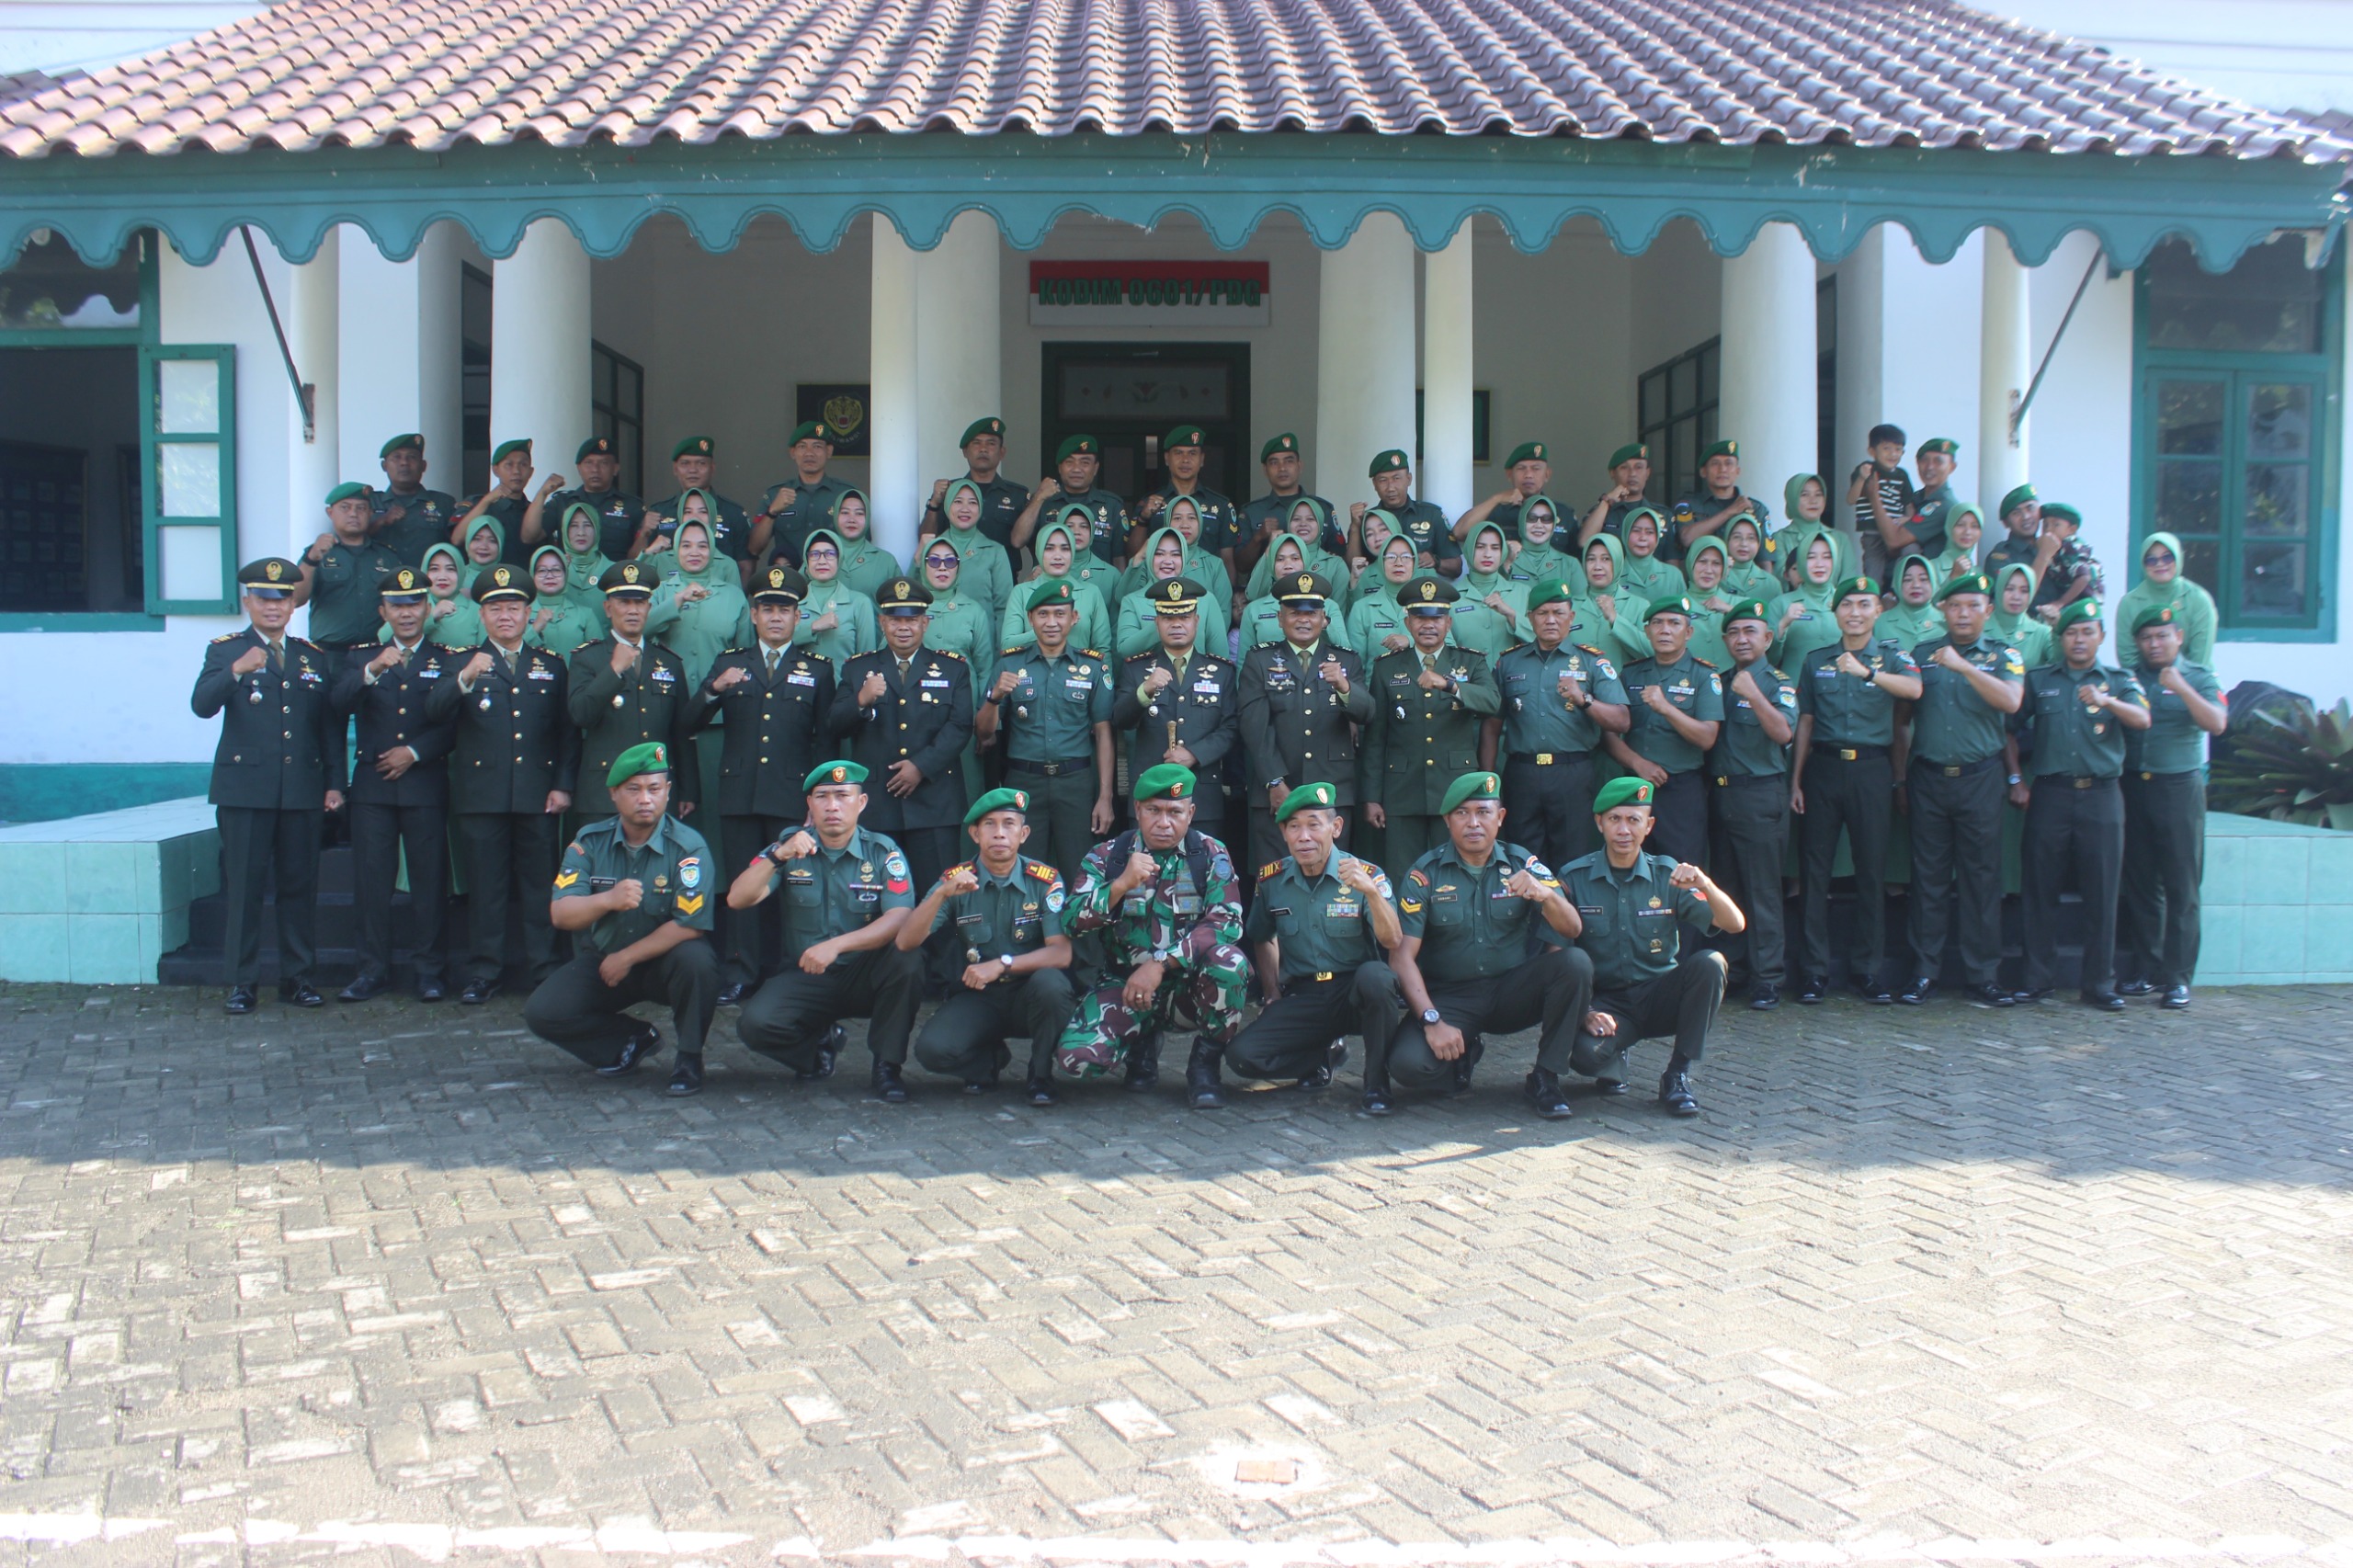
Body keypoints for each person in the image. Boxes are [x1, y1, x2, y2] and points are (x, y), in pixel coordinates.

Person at [1384, 771, 1590, 1118]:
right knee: (1408, 1066)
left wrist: (1545, 896)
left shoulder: (1523, 863)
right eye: (1462, 813)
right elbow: (1401, 957)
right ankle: (1461, 1057)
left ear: (1500, 817)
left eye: (1483, 812)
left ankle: (1546, 1076)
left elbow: (1572, 927)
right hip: (1452, 997)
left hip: (1512, 991)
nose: (1473, 823)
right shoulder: (1425, 874)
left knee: (1576, 963)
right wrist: (1432, 1021)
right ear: (1447, 820)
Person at [194, 559, 346, 1014]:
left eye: (282, 599)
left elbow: (328, 728)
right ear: (248, 602)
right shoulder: (226, 650)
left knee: (300, 888)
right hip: (245, 790)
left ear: (293, 604)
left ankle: (297, 978)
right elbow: (201, 705)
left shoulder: (311, 656)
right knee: (244, 890)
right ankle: (242, 983)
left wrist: (334, 783)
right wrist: (236, 671)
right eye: (264, 599)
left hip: (301, 789)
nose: (273, 607)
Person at [526, 742, 721, 1096]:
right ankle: (629, 1040)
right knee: (544, 1011)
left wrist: (627, 957)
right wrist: (607, 899)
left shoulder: (688, 847)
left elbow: (690, 924)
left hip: (664, 963)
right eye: (634, 789)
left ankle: (690, 1058)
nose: (645, 799)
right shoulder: (590, 841)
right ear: (614, 794)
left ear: (667, 792)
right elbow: (562, 913)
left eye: (654, 789)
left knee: (698, 962)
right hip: (605, 958)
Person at [730, 761, 926, 1101]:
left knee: (907, 960)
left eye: (842, 796)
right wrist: (778, 856)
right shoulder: (789, 847)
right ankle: (817, 1050)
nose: (832, 806)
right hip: (808, 974)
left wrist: (836, 945)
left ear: (861, 803)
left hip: (865, 973)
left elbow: (899, 918)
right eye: (822, 797)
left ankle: (887, 1067)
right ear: (810, 804)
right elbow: (738, 898)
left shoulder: (882, 852)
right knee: (755, 1025)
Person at [427, 565, 578, 1005]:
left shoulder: (551, 665)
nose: (505, 616)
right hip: (482, 795)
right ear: (482, 615)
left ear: (529, 614)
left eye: (514, 608)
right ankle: (484, 972)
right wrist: (465, 678)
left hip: (537, 793)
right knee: (486, 889)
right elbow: (434, 711)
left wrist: (563, 785)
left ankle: (544, 967)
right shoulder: (460, 661)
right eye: (495, 609)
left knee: (540, 885)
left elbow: (567, 733)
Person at [1054, 765, 1247, 1108]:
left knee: (1230, 964)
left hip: (1188, 987)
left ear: (1191, 813)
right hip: (1125, 985)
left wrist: (1160, 964)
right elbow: (1070, 922)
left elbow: (1226, 922)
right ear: (1138, 810)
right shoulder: (1108, 856)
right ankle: (1140, 1043)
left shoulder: (1210, 853)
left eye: (1175, 812)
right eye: (1154, 811)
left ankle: (1205, 1066)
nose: (1164, 822)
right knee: (1077, 1060)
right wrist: (1119, 886)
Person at [686, 563, 835, 1005]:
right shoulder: (730, 663)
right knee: (743, 884)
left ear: (797, 617)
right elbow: (689, 721)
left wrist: (818, 800)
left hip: (791, 796)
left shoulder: (817, 669)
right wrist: (714, 689)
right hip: (740, 793)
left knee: (796, 887)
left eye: (784, 610)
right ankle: (741, 970)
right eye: (767, 609)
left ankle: (789, 969)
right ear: (753, 615)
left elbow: (825, 740)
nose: (775, 617)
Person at [1563, 777, 1745, 1117]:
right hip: (1608, 1003)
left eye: (1634, 820)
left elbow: (1735, 924)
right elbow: (1559, 955)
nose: (1624, 830)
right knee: (1584, 1056)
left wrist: (1706, 884)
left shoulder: (1668, 875)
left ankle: (1677, 1074)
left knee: (1711, 963)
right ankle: (1615, 1054)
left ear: (1648, 826)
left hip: (1660, 995)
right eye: (1615, 819)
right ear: (1599, 823)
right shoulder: (1574, 877)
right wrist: (1585, 1011)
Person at [1788, 575, 1921, 1005]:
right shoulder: (1816, 660)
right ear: (1836, 612)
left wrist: (1869, 673)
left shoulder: (1893, 656)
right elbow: (1806, 721)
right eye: (1847, 605)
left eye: (1864, 605)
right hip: (1824, 768)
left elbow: (1915, 689)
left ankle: (1868, 970)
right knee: (1815, 872)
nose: (1855, 613)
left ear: (1878, 611)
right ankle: (1813, 972)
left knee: (1870, 871)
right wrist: (1796, 779)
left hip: (1872, 770)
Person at [1895, 572, 2027, 1006]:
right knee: (1927, 879)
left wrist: (1965, 667)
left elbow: (2011, 701)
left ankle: (1982, 975)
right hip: (1929, 778)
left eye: (1973, 606)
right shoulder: (1922, 655)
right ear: (1943, 611)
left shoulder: (2004, 655)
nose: (1964, 614)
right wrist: (1900, 778)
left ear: (1988, 610)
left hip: (1981, 778)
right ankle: (1923, 972)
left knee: (1981, 880)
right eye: (1955, 606)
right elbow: (1901, 722)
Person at [2011, 600, 2149, 1010]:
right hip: (2050, 793)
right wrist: (2015, 777)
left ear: (2101, 637)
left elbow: (2142, 719)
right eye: (2071, 632)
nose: (2079, 639)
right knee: (2040, 890)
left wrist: (2108, 702)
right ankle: (2036, 980)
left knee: (2102, 892)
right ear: (2060, 638)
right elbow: (2007, 728)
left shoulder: (2119, 680)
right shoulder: (2040, 680)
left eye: (2088, 631)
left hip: (2102, 796)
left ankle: (2099, 984)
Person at [329, 566, 454, 1003]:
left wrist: (414, 752)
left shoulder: (446, 658)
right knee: (371, 884)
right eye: (396, 606)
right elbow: (336, 703)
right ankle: (371, 971)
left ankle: (429, 972)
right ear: (383, 611)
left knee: (429, 883)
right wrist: (370, 671)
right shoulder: (361, 657)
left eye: (414, 603)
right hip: (373, 787)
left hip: (424, 783)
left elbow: (455, 723)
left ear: (427, 608)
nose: (406, 613)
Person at [1228, 781, 1401, 1097]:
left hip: (1356, 993)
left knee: (1378, 977)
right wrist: (1272, 994)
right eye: (1294, 827)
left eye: (1313, 825)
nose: (1304, 837)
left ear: (1336, 827)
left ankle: (1377, 1082)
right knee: (1242, 1056)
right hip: (1305, 994)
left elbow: (1392, 940)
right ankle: (1321, 1057)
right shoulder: (1272, 880)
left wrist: (1372, 894)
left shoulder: (1365, 874)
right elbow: (1262, 937)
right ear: (1283, 833)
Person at [903, 789, 1076, 1102]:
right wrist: (941, 894)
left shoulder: (1044, 880)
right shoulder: (956, 879)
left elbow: (1061, 953)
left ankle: (1040, 1074)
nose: (999, 833)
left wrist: (1002, 964)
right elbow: (906, 941)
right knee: (932, 1051)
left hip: (1029, 993)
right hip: (979, 996)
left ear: (1023, 833)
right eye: (989, 825)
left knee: (1052, 986)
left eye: (1009, 824)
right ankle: (988, 1062)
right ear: (975, 834)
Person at [828, 576, 976, 926]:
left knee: (939, 900)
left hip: (934, 804)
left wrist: (920, 766)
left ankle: (941, 964)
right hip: (878, 806)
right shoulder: (858, 669)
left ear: (926, 622)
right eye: (895, 620)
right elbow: (835, 725)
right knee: (874, 902)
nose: (903, 627)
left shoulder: (953, 668)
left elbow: (960, 726)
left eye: (912, 620)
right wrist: (861, 700)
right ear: (882, 622)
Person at [2119, 603, 2227, 1009]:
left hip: (2179, 788)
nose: (2154, 644)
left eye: (2162, 636)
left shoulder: (2200, 676)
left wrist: (2181, 687)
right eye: (2146, 638)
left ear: (2178, 637)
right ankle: (2148, 970)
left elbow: (2217, 723)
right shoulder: (2127, 678)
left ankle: (2178, 978)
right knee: (2143, 885)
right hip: (2135, 786)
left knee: (2182, 886)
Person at [1359, 577, 1502, 884]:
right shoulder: (1387, 667)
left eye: (1436, 618)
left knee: (1454, 874)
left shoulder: (1470, 662)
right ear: (1408, 623)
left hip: (1455, 788)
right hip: (1401, 790)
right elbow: (1376, 738)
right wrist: (1372, 797)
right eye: (1420, 618)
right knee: (1403, 875)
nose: (1428, 625)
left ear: (1448, 623)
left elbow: (1492, 702)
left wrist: (1450, 685)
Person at [1488, 577, 1631, 871]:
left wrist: (1584, 700)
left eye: (1558, 612)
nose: (1550, 620)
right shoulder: (1509, 663)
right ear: (1530, 618)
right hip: (1522, 774)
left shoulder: (1592, 662)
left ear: (1571, 617)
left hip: (1572, 774)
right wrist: (1489, 779)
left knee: (1573, 860)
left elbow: (1622, 720)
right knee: (1523, 859)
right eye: (1542, 613)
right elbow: (1492, 726)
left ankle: (1568, 904)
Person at [979, 579, 1115, 882]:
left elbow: (1104, 733)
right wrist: (994, 698)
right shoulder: (1009, 664)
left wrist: (1105, 796)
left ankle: (1077, 917)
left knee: (1080, 871)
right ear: (1030, 619)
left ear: (1073, 618)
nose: (1051, 622)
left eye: (1059, 614)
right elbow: (984, 734)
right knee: (1025, 872)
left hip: (1075, 783)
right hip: (1024, 783)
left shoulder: (1093, 667)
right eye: (1043, 614)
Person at [1238, 571, 1372, 871]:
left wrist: (1345, 688)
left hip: (1331, 790)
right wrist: (1274, 781)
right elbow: (1254, 725)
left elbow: (1367, 714)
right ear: (1280, 618)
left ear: (1324, 619)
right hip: (1276, 790)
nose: (1303, 620)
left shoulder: (1346, 660)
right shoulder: (1259, 660)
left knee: (1334, 878)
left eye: (1311, 613)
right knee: (1274, 878)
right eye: (1294, 613)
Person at [1702, 600, 1798, 1009]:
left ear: (1768, 638)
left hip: (1760, 794)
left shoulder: (1777, 683)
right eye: (1734, 632)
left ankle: (1768, 978)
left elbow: (1783, 733)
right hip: (1721, 794)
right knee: (1725, 889)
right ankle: (1735, 971)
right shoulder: (1717, 681)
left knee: (1762, 891)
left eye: (1750, 631)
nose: (1742, 639)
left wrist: (1754, 694)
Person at [566, 561, 699, 823]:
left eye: (639, 603)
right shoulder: (587, 658)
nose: (632, 610)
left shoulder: (668, 662)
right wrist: (614, 670)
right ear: (608, 608)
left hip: (656, 792)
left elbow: (681, 732)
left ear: (649, 608)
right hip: (604, 791)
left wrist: (688, 789)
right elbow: (580, 715)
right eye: (624, 602)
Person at [1113, 577, 1240, 845]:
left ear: (1197, 620)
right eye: (1168, 618)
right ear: (1157, 623)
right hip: (1150, 794)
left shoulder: (1222, 672)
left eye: (1184, 617)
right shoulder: (1136, 669)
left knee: (1205, 866)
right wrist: (1144, 691)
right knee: (1146, 869)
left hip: (1202, 794)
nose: (1177, 624)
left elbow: (1230, 728)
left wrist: (1195, 754)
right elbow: (1120, 719)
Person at [1605, 597, 1724, 869]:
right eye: (1657, 623)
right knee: (1629, 866)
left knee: (1681, 869)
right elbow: (1608, 734)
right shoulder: (1632, 674)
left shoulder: (1704, 676)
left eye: (1674, 623)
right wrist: (1637, 763)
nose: (1665, 630)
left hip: (1680, 790)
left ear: (1688, 632)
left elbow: (1707, 737)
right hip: (1634, 787)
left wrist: (1666, 708)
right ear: (1647, 631)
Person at [294, 482, 404, 657]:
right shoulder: (316, 554)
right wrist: (311, 560)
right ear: (330, 513)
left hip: (376, 652)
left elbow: (401, 602)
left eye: (361, 508)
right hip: (329, 653)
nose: (353, 514)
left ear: (370, 513)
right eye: (345, 507)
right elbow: (295, 599)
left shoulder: (387, 556)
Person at [644, 517, 754, 689]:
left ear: (712, 550)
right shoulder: (660, 591)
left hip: (718, 698)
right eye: (686, 546)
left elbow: (746, 655)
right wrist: (678, 600)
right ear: (676, 550)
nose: (694, 552)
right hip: (667, 694)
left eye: (702, 546)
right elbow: (641, 631)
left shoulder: (734, 596)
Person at [1135, 425, 1242, 597]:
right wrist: (1144, 518)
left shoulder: (1221, 505)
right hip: (1159, 594)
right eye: (1178, 453)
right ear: (1167, 458)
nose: (1185, 460)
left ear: (1202, 459)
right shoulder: (1150, 503)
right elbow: (1134, 555)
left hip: (1205, 595)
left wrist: (1227, 602)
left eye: (1192, 453)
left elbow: (1227, 560)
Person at [645, 436, 758, 582]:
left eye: (701, 463)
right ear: (675, 468)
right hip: (670, 593)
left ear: (712, 468)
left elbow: (746, 567)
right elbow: (638, 568)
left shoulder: (733, 513)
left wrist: (733, 595)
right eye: (685, 463)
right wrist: (644, 533)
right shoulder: (659, 512)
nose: (693, 470)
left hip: (718, 592)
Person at [1002, 516, 1114, 658]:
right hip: (1032, 671)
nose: (1058, 556)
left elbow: (1103, 649)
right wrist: (1046, 629)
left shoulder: (1091, 593)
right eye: (1049, 548)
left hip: (1080, 672)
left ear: (1072, 553)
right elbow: (1008, 644)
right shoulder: (1021, 592)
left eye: (1065, 549)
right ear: (1039, 551)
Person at [1011, 434, 1127, 562]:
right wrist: (1039, 497)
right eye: (1069, 462)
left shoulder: (1111, 505)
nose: (1076, 469)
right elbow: (1017, 541)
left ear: (1095, 468)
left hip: (1098, 576)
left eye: (1085, 463)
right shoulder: (1044, 501)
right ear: (1060, 467)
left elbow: (1119, 558)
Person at [922, 416, 1029, 552]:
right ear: (965, 452)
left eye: (991, 443)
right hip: (958, 565)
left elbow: (1037, 544)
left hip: (1004, 566)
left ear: (1002, 452)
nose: (983, 449)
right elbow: (925, 540)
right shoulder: (949, 491)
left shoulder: (1017, 495)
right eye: (976, 443)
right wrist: (934, 504)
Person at [536, 435, 646, 567]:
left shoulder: (633, 506)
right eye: (589, 463)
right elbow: (530, 536)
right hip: (572, 577)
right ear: (579, 468)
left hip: (616, 576)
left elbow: (639, 559)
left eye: (604, 463)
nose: (595, 469)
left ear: (616, 468)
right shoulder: (562, 502)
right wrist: (542, 493)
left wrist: (645, 533)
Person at [756, 420, 849, 570]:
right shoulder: (775, 494)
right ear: (792, 452)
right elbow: (754, 548)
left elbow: (862, 543)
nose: (809, 453)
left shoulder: (845, 495)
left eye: (817, 446)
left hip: (831, 577)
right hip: (789, 579)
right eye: (802, 446)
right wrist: (772, 512)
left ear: (829, 451)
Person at [2115, 531, 2218, 666]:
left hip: (2194, 677)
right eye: (2151, 560)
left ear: (2178, 558)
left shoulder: (2199, 599)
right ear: (2143, 564)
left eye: (2167, 557)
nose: (2160, 564)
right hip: (2143, 679)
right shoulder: (2129, 603)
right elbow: (2128, 659)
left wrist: (2178, 679)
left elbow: (2200, 659)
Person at [1239, 432, 1337, 572]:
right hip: (1267, 585)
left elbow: (1339, 557)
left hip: (1316, 583)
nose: (1282, 468)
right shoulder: (1252, 512)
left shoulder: (1323, 508)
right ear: (1265, 470)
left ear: (1300, 466)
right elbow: (1241, 566)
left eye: (1289, 461)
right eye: (1274, 462)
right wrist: (1258, 538)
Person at [790, 529, 881, 671]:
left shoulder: (859, 602)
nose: (822, 561)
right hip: (801, 683)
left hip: (843, 684)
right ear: (806, 561)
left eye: (830, 554)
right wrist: (813, 627)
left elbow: (866, 659)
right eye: (814, 554)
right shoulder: (793, 602)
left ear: (840, 560)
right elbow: (777, 644)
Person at [1353, 449, 1458, 574]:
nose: (1391, 488)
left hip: (1421, 585)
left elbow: (1457, 567)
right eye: (1383, 480)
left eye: (1397, 478)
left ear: (1409, 479)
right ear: (1374, 484)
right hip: (1377, 584)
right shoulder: (1367, 519)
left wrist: (1435, 561)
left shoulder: (1431, 515)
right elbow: (1351, 567)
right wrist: (1355, 526)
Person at [1667, 439, 1768, 566]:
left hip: (1744, 578)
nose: (1723, 469)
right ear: (1703, 471)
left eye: (1728, 463)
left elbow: (1765, 558)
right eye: (1715, 464)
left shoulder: (1756, 508)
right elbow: (1687, 538)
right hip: (1703, 575)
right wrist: (1730, 511)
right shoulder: (1687, 504)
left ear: (1738, 471)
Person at [935, 478, 1018, 631]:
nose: (965, 509)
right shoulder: (932, 549)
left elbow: (1004, 608)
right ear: (947, 505)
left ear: (980, 508)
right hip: (938, 639)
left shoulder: (995, 552)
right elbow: (915, 598)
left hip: (982, 640)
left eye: (972, 503)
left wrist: (1001, 644)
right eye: (958, 501)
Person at [451, 438, 548, 568]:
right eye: (509, 465)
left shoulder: (535, 512)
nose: (516, 471)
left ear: (531, 472)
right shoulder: (477, 504)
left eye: (523, 465)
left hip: (523, 580)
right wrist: (487, 501)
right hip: (483, 579)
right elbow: (457, 538)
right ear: (495, 470)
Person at [369, 433, 460, 568]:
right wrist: (381, 521)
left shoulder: (443, 503)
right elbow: (350, 539)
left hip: (428, 580)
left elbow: (459, 545)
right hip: (381, 580)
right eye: (396, 457)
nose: (404, 463)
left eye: (412, 457)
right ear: (384, 466)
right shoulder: (370, 503)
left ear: (423, 466)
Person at [1767, 531, 1846, 675]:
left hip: (1840, 686)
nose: (1819, 564)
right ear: (1802, 561)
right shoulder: (1780, 604)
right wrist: (1783, 625)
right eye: (1811, 557)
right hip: (1796, 686)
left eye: (1827, 557)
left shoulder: (1847, 602)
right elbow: (1768, 659)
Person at [1846, 423, 1915, 584]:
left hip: (1895, 530)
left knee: (1904, 563)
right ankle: (1873, 595)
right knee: (1873, 570)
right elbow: (1851, 499)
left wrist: (1908, 519)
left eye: (1898, 449)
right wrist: (1861, 478)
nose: (1893, 454)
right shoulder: (1866, 470)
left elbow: (1908, 503)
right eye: (1887, 448)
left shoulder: (1902, 475)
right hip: (1872, 531)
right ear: (1872, 451)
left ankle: (1898, 592)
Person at [1453, 441, 1552, 544]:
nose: (1529, 475)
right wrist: (1497, 498)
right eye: (1521, 468)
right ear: (1509, 474)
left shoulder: (1560, 513)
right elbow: (1459, 532)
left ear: (1547, 474)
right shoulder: (1497, 512)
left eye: (1536, 469)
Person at [525, 541, 603, 659]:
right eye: (542, 570)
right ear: (532, 575)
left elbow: (599, 658)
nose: (549, 576)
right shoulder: (521, 614)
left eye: (556, 570)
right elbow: (512, 655)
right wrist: (535, 629)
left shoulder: (585, 614)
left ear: (566, 574)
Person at [826, 490, 904, 601]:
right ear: (835, 516)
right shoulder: (818, 556)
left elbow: (903, 600)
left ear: (868, 518)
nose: (851, 519)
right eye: (845, 512)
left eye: (859, 513)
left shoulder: (885, 561)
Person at [1987, 561, 2054, 670]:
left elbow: (2061, 660)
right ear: (1999, 589)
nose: (2016, 597)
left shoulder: (2041, 633)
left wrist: (2057, 628)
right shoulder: (1979, 628)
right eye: (2010, 589)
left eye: (2024, 591)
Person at [1582, 441, 1652, 544]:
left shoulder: (1663, 515)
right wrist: (1606, 501)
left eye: (1638, 467)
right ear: (1612, 473)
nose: (1632, 473)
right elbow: (1584, 542)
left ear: (1647, 473)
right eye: (1624, 467)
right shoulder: (1602, 512)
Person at [1617, 508, 1688, 605]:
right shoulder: (1612, 575)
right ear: (1625, 533)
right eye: (1636, 531)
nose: (1643, 537)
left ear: (1657, 536)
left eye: (1649, 532)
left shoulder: (1673, 575)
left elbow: (1684, 611)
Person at [1877, 553, 1946, 649]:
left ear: (1934, 583)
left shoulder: (1945, 621)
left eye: (1923, 579)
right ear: (1897, 584)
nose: (1916, 585)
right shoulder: (1880, 622)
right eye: (1908, 580)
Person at [1980, 483, 2044, 585]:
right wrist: (2044, 556)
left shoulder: (2049, 546)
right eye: (2016, 513)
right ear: (2006, 523)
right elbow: (2019, 592)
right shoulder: (2000, 556)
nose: (2026, 517)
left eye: (2030, 508)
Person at [1930, 503, 1984, 587]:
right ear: (1949, 527)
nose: (1967, 532)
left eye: (1974, 526)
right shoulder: (1931, 568)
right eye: (1960, 525)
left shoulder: (1978, 572)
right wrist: (1953, 578)